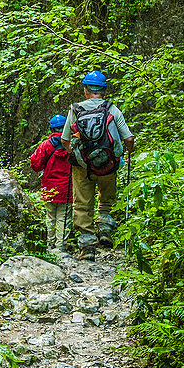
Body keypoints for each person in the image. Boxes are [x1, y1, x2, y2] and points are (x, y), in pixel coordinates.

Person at [61, 70, 135, 259]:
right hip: (108, 164)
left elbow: (65, 140)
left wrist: (76, 155)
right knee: (106, 199)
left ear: (85, 91)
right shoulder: (111, 108)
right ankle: (105, 231)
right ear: (103, 91)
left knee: (83, 203)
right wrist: (127, 152)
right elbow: (128, 137)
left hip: (82, 167)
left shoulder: (75, 109)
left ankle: (87, 248)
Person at [30, 115, 72, 252]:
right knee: (63, 218)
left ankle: (49, 245)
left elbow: (35, 164)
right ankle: (60, 247)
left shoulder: (45, 145)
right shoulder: (72, 144)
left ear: (51, 129)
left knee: (50, 218)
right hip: (67, 188)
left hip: (49, 187)